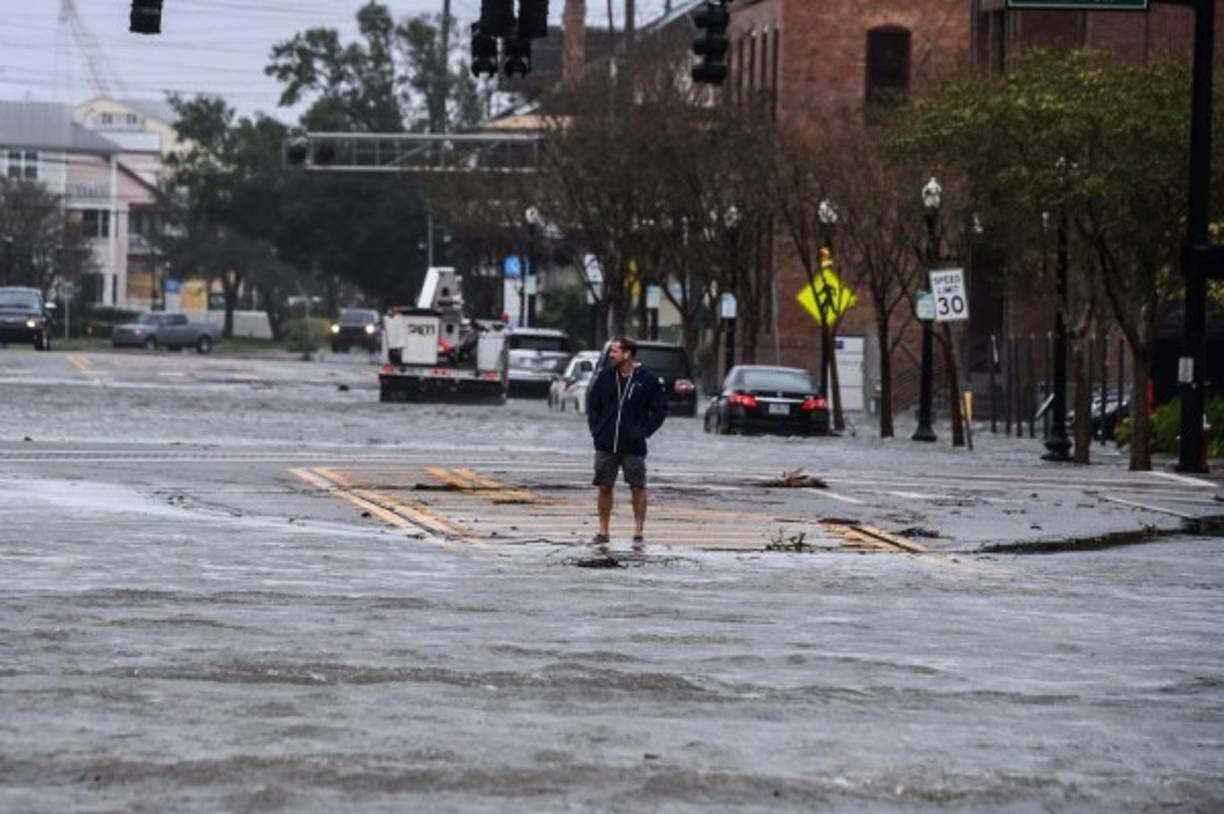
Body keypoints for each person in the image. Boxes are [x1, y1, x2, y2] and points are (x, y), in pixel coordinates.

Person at [586, 336, 668, 548]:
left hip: (634, 445)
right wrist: (597, 431)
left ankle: (639, 533)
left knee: (637, 487)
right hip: (606, 444)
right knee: (604, 486)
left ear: (627, 353)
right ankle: (603, 531)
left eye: (614, 351)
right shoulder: (604, 377)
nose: (610, 355)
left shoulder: (647, 380)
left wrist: (644, 432)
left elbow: (660, 410)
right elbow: (593, 406)